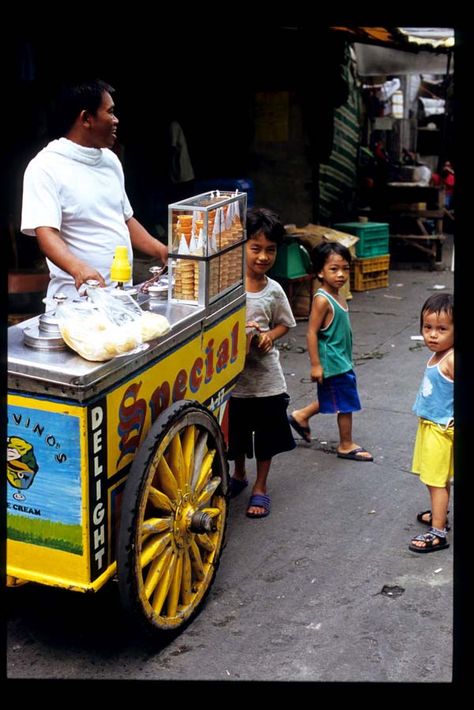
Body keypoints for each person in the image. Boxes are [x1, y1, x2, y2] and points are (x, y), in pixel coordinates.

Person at [21, 78, 168, 302]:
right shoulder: (45, 167)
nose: (116, 120)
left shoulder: (110, 160)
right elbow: (46, 234)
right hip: (77, 299)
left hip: (120, 294)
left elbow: (125, 219)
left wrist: (161, 250)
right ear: (86, 118)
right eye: (110, 112)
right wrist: (79, 269)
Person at [227, 207, 296, 518]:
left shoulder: (274, 291)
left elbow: (286, 324)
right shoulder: (227, 287)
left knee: (266, 438)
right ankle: (239, 474)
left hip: (266, 379)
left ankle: (260, 486)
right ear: (241, 247)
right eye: (255, 248)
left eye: (270, 250)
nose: (263, 256)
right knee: (236, 434)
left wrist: (270, 335)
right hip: (233, 379)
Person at [289, 241, 373, 461]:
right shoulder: (322, 300)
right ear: (320, 271)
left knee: (334, 396)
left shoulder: (338, 295)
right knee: (346, 404)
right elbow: (311, 333)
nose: (341, 274)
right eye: (334, 269)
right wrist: (316, 364)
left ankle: (301, 415)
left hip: (341, 360)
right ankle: (345, 445)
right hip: (333, 363)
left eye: (345, 268)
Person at [408, 293, 453, 554]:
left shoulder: (451, 359)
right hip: (430, 426)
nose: (433, 335)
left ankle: (438, 532)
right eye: (428, 328)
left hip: (441, 430)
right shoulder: (440, 355)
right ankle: (439, 514)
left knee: (436, 481)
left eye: (442, 329)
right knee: (435, 478)